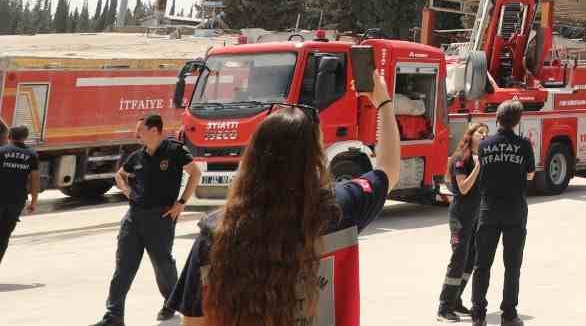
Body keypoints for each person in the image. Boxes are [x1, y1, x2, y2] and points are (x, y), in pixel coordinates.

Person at [172, 72, 400, 326]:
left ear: (253, 159)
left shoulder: (216, 233)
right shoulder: (338, 209)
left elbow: (193, 321)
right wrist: (383, 102)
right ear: (315, 160)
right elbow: (389, 168)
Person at [91, 113, 200, 326]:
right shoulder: (137, 156)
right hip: (134, 217)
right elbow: (120, 175)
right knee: (124, 266)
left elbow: (195, 174)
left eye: (140, 130)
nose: (136, 135)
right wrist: (127, 191)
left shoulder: (175, 151)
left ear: (154, 130)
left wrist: (181, 203)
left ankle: (171, 302)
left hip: (160, 217)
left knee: (162, 264)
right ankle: (113, 315)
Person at [472, 99, 537, 326]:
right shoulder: (524, 145)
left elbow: (483, 170)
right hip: (514, 210)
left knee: (482, 264)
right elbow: (530, 174)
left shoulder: (484, 145)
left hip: (488, 209)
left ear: (497, 118)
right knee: (512, 265)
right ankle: (509, 314)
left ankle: (478, 315)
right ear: (518, 121)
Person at [438, 122, 489, 321]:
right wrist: (478, 167)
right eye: (480, 132)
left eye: (486, 133)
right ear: (470, 135)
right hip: (460, 216)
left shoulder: (481, 158)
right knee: (458, 259)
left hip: (476, 216)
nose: (484, 135)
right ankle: (444, 308)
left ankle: (456, 301)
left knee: (471, 258)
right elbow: (464, 188)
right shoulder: (461, 159)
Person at [1, 123, 40, 268]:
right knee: (4, 236)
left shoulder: (2, 151)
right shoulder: (32, 155)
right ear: (25, 137)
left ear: (9, 136)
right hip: (16, 201)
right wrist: (34, 201)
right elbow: (35, 179)